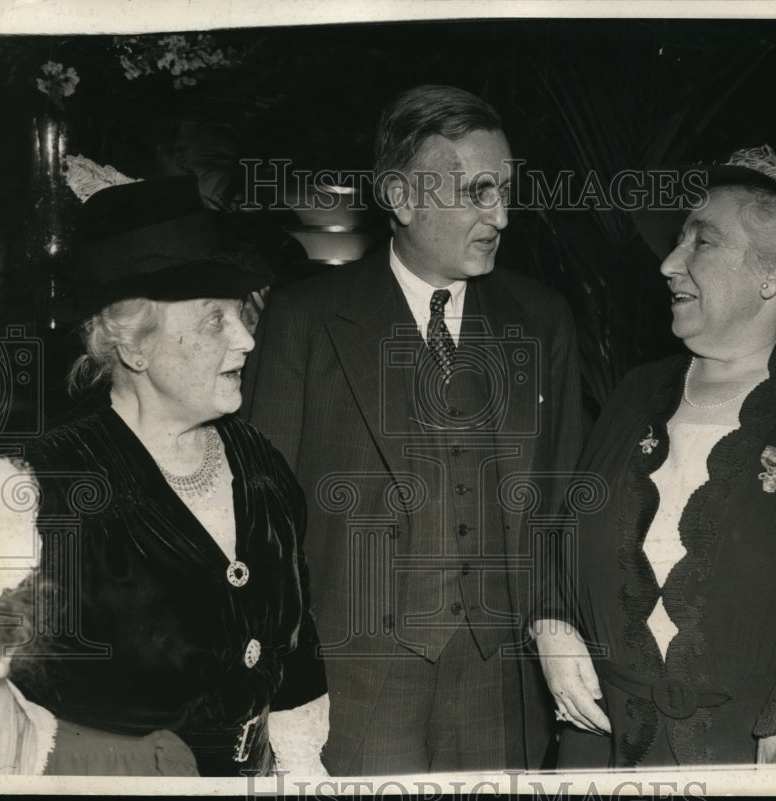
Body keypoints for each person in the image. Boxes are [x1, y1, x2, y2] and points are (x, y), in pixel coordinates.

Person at [533, 145, 776, 766]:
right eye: (678, 240)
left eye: (702, 242)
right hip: (599, 746)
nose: (667, 262)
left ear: (773, 275)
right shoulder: (636, 392)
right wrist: (551, 624)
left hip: (747, 753)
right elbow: (559, 533)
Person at [242, 84, 583, 774]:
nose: (503, 215)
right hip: (357, 673)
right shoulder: (305, 318)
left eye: (506, 189)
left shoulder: (541, 319)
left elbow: (561, 498)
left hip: (501, 676)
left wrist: (552, 622)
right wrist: (280, 681)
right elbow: (261, 514)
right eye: (478, 192)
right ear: (401, 198)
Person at [0, 175, 324, 776]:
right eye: (214, 322)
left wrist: (300, 765)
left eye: (243, 314)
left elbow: (297, 651)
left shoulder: (259, 463)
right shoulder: (46, 488)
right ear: (135, 346)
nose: (249, 339)